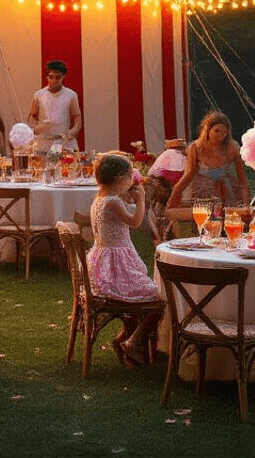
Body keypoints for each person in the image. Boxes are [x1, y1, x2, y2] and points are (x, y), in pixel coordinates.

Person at [86, 152, 162, 368]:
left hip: (105, 265)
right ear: (119, 180)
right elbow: (136, 222)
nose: (131, 181)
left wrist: (130, 199)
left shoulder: (101, 198)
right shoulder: (111, 202)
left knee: (148, 294)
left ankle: (125, 340)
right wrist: (141, 200)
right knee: (157, 299)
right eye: (129, 177)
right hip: (115, 270)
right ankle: (132, 341)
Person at [165, 111, 250, 211]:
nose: (221, 135)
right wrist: (175, 193)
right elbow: (188, 175)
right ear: (207, 131)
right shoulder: (196, 148)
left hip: (224, 191)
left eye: (224, 132)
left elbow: (243, 181)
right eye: (217, 131)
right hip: (199, 192)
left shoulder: (232, 147)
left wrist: (246, 206)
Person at [28, 60, 83, 153]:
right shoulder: (39, 95)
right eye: (51, 77)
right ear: (47, 77)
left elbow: (77, 118)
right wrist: (34, 128)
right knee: (41, 166)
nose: (54, 80)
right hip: (43, 142)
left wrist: (71, 133)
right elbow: (32, 116)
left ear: (63, 77)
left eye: (58, 77)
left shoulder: (70, 95)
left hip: (60, 141)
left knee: (59, 164)